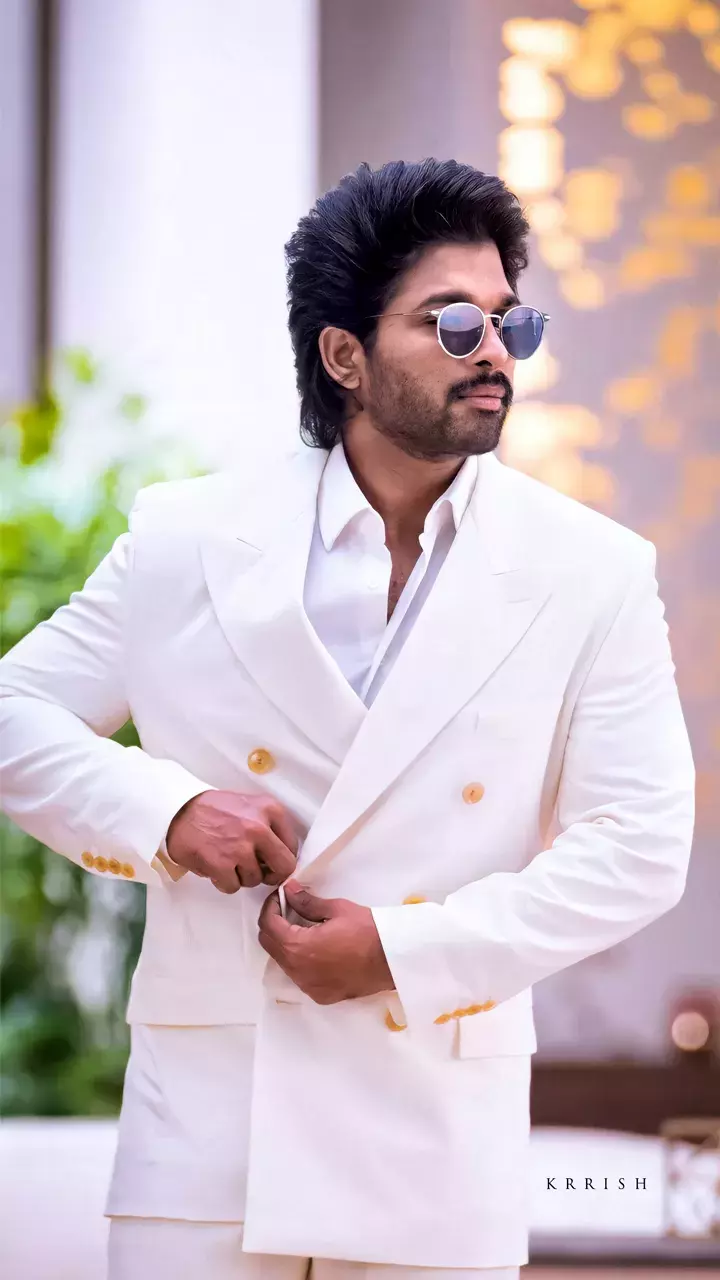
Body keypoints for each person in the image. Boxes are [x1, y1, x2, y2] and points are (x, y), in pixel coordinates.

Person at [0, 159, 695, 1279]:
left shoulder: (592, 571)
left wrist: (403, 951)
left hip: (433, 1136)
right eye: (453, 322)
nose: (494, 352)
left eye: (512, 322)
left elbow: (641, 845)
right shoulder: (188, 539)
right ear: (344, 355)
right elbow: (14, 710)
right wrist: (169, 812)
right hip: (213, 1141)